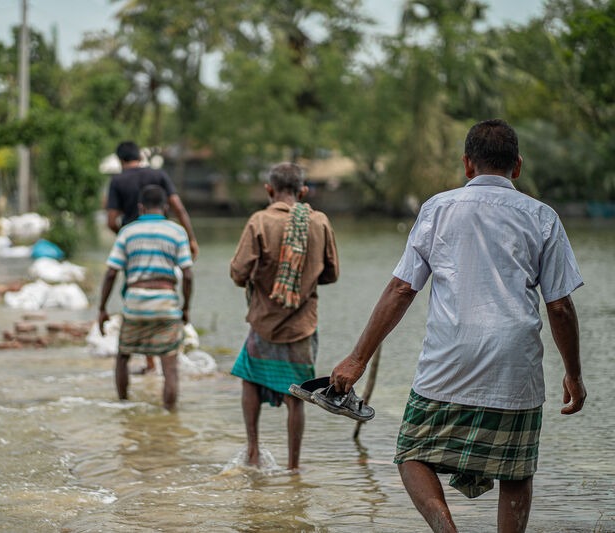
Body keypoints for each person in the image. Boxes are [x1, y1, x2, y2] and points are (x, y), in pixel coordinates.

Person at [329, 119, 586, 532]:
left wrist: (358, 359)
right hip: (514, 362)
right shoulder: (541, 217)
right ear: (517, 166)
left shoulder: (439, 208)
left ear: (467, 165)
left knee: (412, 453)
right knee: (514, 471)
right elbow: (560, 307)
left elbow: (400, 289)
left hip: (450, 358)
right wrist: (573, 374)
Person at [229, 162, 339, 471]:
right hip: (302, 324)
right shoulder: (319, 222)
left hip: (263, 320)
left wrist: (261, 280)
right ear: (303, 192)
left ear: (269, 189)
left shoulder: (259, 221)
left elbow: (239, 272)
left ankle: (252, 451)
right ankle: (293, 467)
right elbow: (331, 273)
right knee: (297, 394)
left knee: (249, 380)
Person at [98, 185, 194, 410]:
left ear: (140, 207)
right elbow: (187, 275)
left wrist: (102, 307)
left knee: (123, 356)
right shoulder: (177, 232)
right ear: (166, 206)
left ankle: (123, 407)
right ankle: (170, 417)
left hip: (135, 304)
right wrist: (186, 307)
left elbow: (112, 272)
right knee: (169, 365)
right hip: (166, 304)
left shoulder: (127, 232)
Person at [106, 141, 199, 261]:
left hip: (135, 248)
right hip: (163, 238)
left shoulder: (117, 181)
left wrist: (127, 237)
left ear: (120, 160)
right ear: (140, 157)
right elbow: (179, 209)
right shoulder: (159, 175)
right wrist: (191, 240)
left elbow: (111, 222)